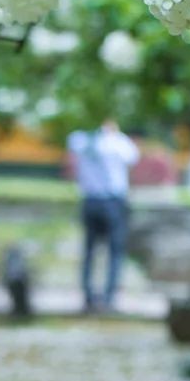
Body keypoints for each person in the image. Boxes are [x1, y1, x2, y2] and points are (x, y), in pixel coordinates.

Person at [67, 119, 140, 311]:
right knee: (115, 252)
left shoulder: (81, 140)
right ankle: (109, 297)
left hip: (90, 201)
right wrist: (112, 133)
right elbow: (132, 156)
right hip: (112, 201)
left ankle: (89, 295)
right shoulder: (116, 142)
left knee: (90, 252)